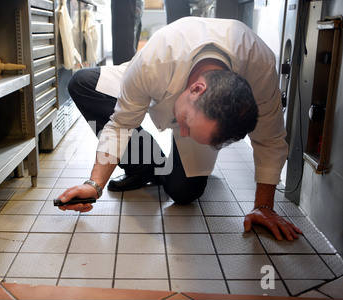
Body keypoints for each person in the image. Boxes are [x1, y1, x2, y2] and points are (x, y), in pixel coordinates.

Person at [57, 17, 303, 241]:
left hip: (201, 96)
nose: (181, 132)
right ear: (197, 89)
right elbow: (122, 123)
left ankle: (165, 164)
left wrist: (264, 205)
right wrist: (95, 185)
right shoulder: (155, 59)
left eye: (193, 132)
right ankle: (144, 167)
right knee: (82, 82)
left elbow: (269, 139)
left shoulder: (260, 69)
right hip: (153, 78)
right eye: (185, 123)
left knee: (183, 193)